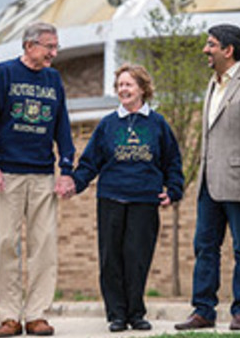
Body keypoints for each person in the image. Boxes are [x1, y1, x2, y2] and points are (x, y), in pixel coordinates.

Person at [66, 64, 184, 333]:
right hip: (111, 199)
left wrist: (174, 189)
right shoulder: (108, 124)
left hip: (144, 200)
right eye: (120, 85)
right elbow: (90, 162)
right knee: (111, 259)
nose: (123, 89)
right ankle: (116, 315)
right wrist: (75, 183)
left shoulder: (157, 124)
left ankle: (136, 313)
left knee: (137, 258)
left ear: (142, 88)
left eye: (128, 84)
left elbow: (172, 161)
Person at [0, 21, 75, 337]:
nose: (54, 53)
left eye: (55, 46)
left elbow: (62, 125)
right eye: (50, 46)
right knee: (6, 243)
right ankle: (8, 316)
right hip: (7, 174)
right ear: (30, 45)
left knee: (43, 246)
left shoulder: (53, 79)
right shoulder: (4, 74)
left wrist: (67, 168)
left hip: (43, 174)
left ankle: (36, 315)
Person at [174, 24, 240, 331]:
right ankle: (203, 310)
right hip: (209, 182)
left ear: (228, 50)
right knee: (205, 246)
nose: (206, 50)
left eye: (211, 45)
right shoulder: (212, 83)